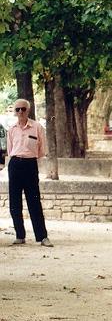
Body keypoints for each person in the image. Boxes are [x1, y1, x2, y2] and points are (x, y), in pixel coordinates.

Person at [6, 99, 53, 247]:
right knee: (15, 202)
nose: (20, 112)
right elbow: (9, 149)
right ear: (15, 111)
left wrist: (28, 158)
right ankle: (20, 235)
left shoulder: (37, 127)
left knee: (34, 201)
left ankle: (42, 236)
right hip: (15, 165)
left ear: (28, 110)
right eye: (18, 109)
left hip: (30, 165)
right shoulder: (11, 129)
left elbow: (41, 150)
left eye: (23, 109)